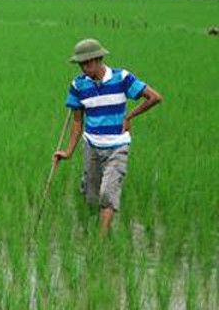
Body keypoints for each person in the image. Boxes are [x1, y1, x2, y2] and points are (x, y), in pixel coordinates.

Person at [54, 39, 162, 238]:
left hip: (117, 146)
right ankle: (91, 227)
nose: (83, 68)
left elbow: (154, 97)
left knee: (108, 193)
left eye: (87, 63)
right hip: (91, 146)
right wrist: (67, 152)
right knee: (91, 195)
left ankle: (100, 244)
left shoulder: (122, 78)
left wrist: (129, 116)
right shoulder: (78, 85)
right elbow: (77, 121)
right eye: (80, 64)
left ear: (98, 59)